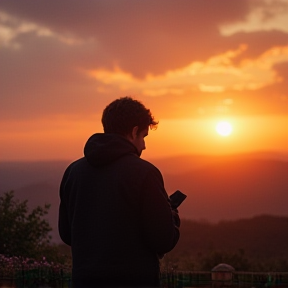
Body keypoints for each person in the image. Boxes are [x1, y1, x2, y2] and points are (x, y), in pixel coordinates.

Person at [58, 96, 181, 287]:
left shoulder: (73, 172)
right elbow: (163, 240)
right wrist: (172, 216)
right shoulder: (145, 173)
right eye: (143, 136)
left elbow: (67, 233)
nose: (144, 145)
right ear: (133, 132)